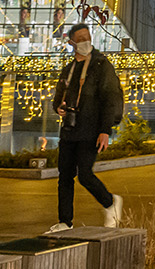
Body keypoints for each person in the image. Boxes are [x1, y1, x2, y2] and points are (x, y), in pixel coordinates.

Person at [47, 24, 126, 234]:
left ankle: (110, 202)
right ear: (71, 42)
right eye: (80, 38)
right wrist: (59, 107)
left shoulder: (101, 66)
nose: (85, 42)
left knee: (84, 175)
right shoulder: (69, 69)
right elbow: (57, 97)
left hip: (91, 129)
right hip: (70, 129)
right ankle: (65, 221)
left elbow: (110, 98)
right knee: (64, 175)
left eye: (87, 37)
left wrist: (105, 131)